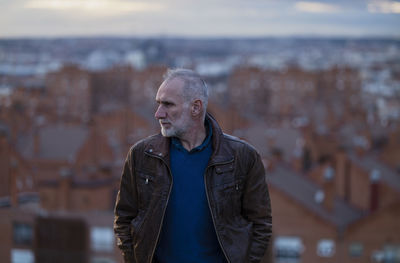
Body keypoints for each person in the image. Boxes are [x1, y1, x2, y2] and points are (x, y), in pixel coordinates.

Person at [114, 68, 272, 263]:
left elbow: (261, 225)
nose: (158, 113)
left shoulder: (243, 157)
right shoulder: (142, 155)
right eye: (158, 104)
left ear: (196, 108)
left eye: (168, 105)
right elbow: (123, 219)